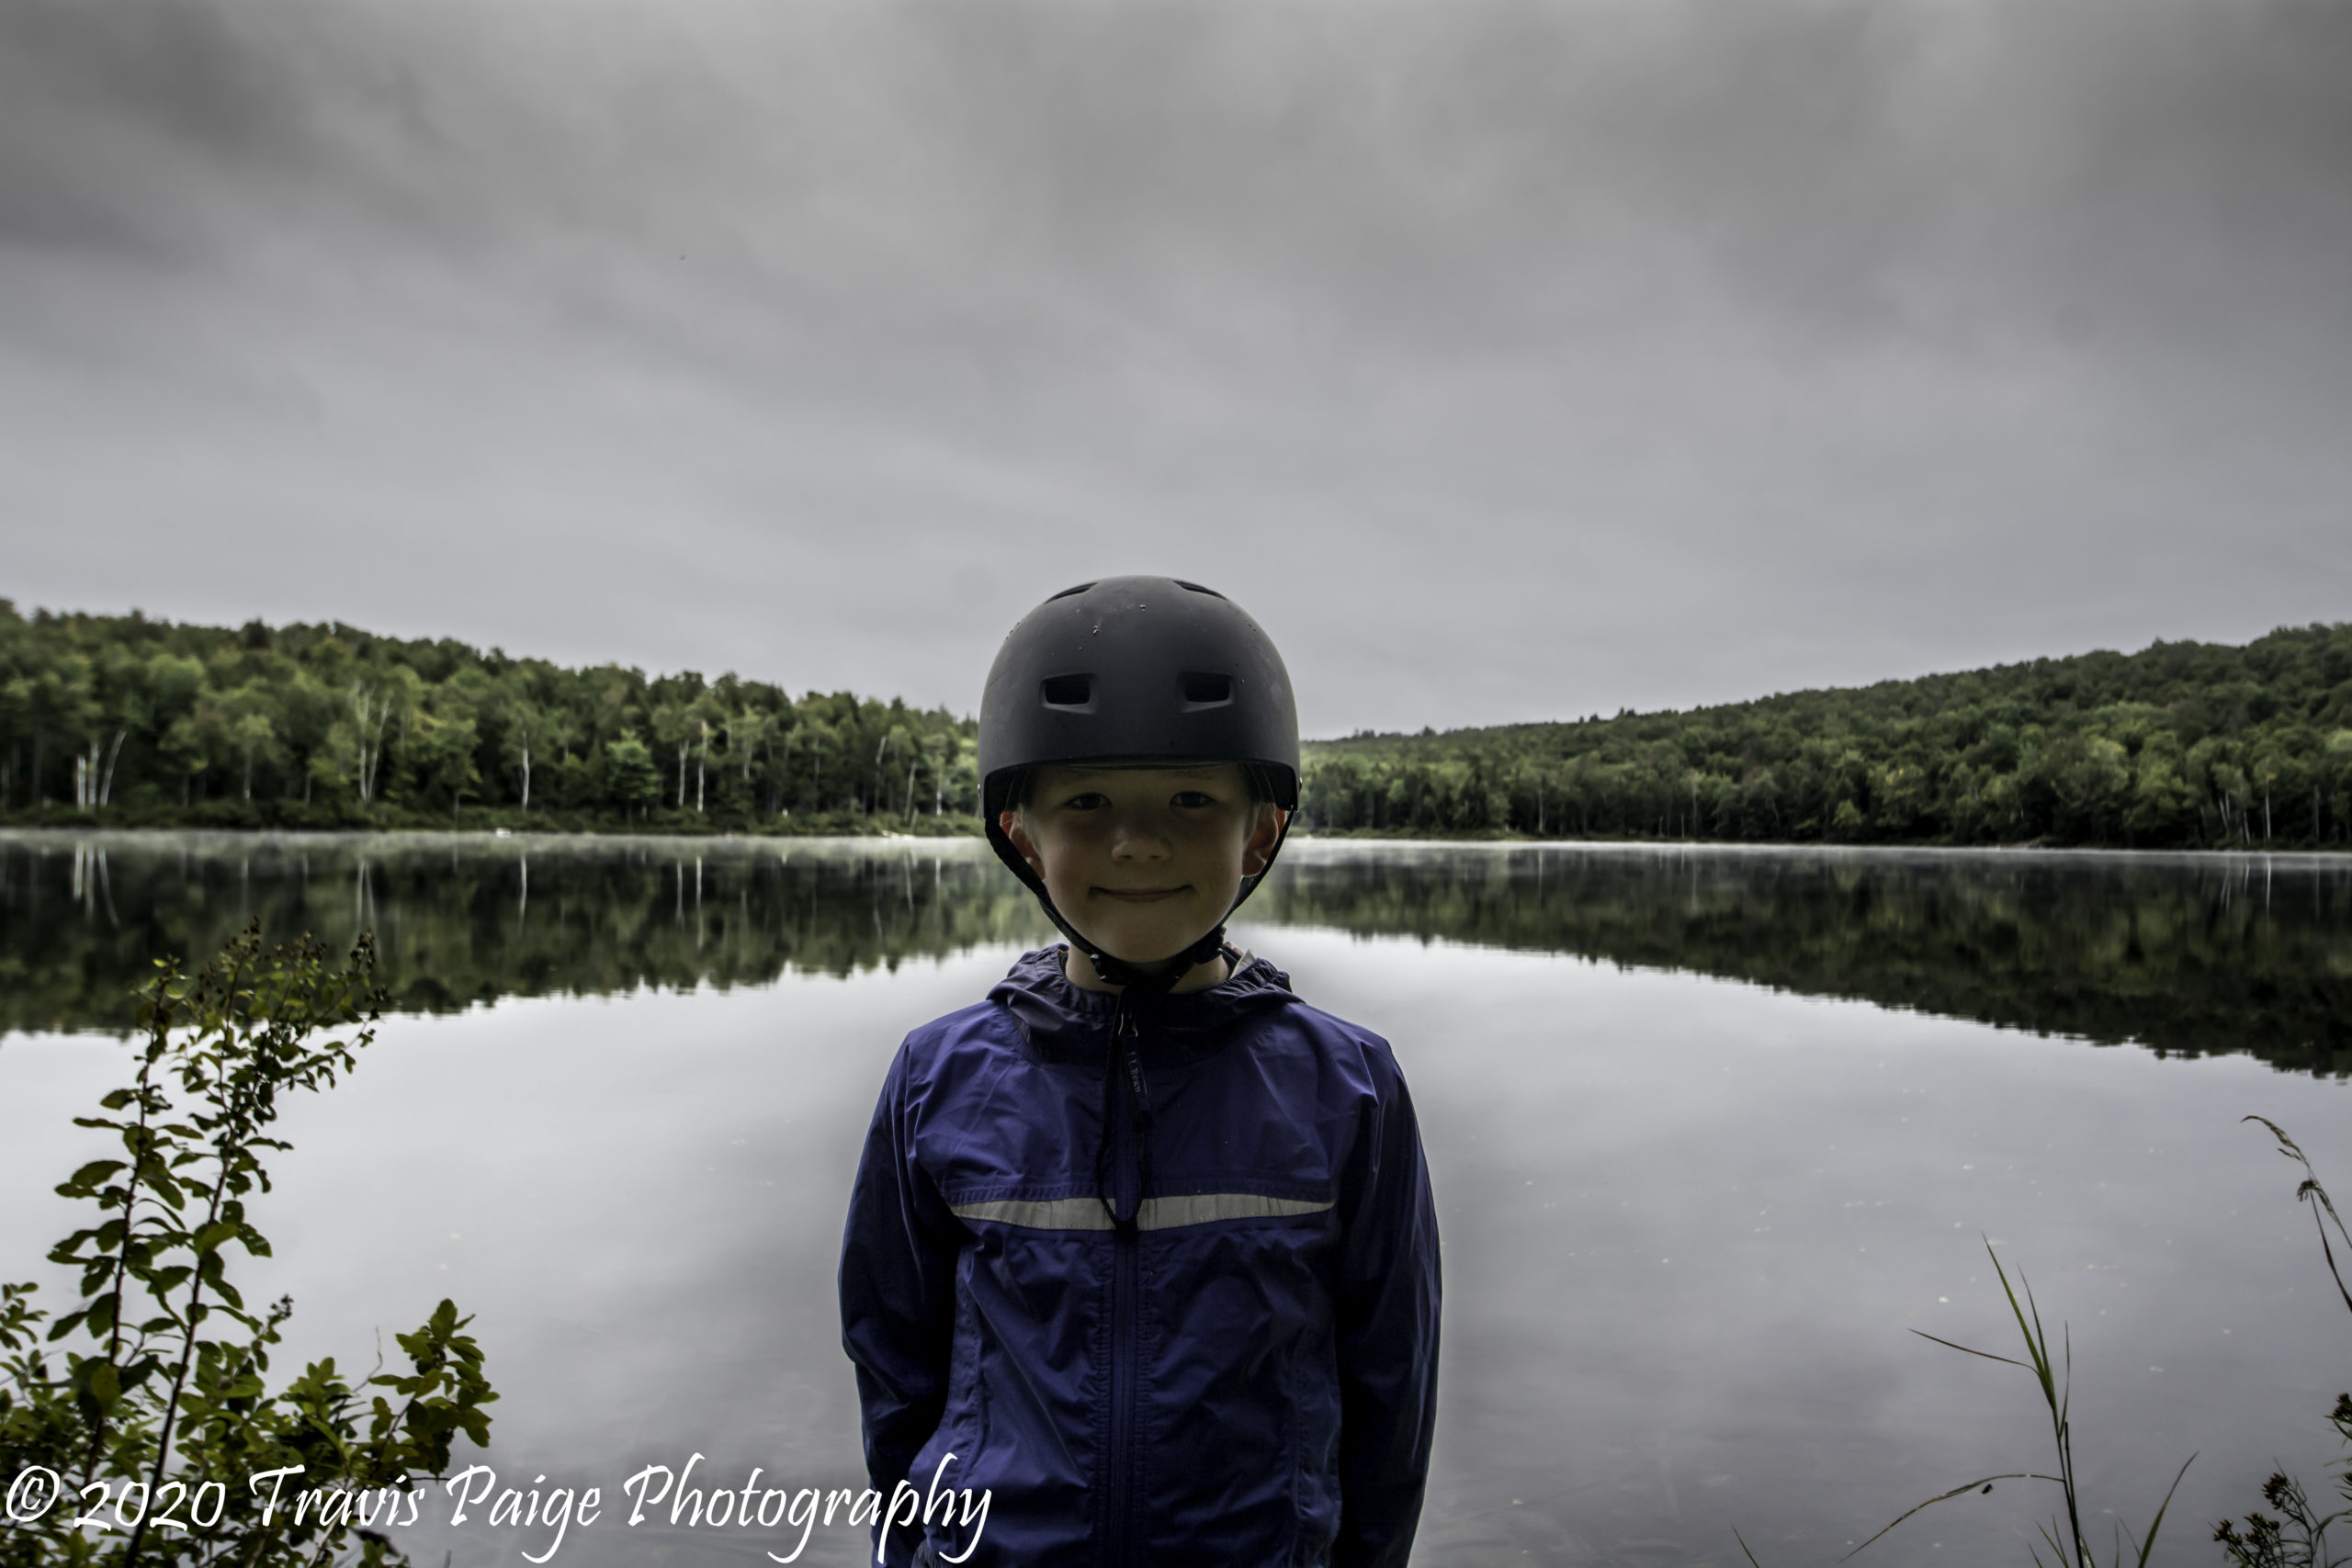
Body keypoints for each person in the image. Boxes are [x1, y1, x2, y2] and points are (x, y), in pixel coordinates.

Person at [838, 576, 1442, 1568]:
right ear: (1020, 832)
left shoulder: (1347, 1088)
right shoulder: (935, 1078)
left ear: (1260, 831)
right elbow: (895, 1371)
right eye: (1087, 801)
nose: (1139, 840)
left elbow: (1390, 1397)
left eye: (1191, 799)